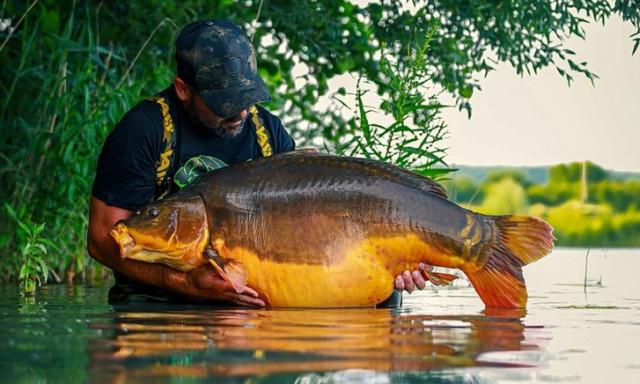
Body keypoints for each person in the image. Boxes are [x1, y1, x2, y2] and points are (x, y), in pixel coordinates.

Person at [87, 19, 427, 307]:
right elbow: (102, 239)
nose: (242, 112)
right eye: (225, 102)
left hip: (245, 296)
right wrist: (185, 284)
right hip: (163, 296)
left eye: (247, 97)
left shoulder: (268, 133)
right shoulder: (145, 130)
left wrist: (390, 259)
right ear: (183, 89)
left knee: (388, 297)